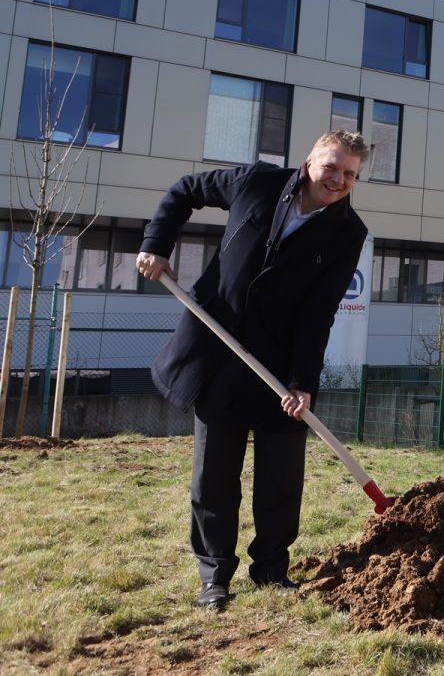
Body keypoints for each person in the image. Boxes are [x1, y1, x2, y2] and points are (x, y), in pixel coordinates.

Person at [137, 131, 370, 611]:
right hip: (219, 351)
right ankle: (214, 576)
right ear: (309, 161)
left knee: (281, 479)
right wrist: (156, 245)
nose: (339, 180)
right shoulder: (257, 183)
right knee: (214, 476)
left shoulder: (348, 232)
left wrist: (303, 382)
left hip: (280, 368)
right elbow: (185, 190)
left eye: (350, 174)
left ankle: (270, 569)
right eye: (332, 167)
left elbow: (319, 311)